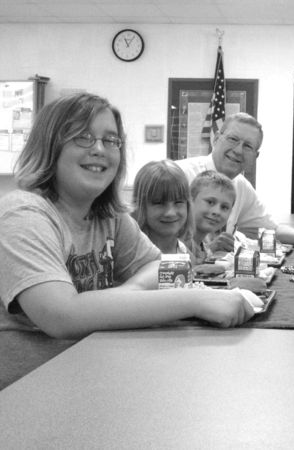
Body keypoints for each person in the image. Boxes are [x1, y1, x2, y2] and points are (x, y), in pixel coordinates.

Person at [0, 93, 256, 345]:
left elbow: (159, 266)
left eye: (111, 140)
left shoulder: (109, 216)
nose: (99, 149)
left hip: (96, 358)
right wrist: (197, 300)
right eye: (82, 137)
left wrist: (126, 294)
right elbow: (61, 316)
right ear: (49, 145)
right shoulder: (22, 214)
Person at [174, 112, 294, 253]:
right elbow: (159, 241)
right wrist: (207, 250)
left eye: (247, 146)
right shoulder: (179, 176)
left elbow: (271, 229)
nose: (238, 150)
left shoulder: (240, 186)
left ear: (255, 156)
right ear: (216, 139)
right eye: (233, 139)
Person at [131, 160, 194, 257]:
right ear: (140, 206)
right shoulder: (133, 256)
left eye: (178, 202)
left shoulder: (186, 253)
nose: (170, 213)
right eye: (159, 203)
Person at [188, 170, 236, 264]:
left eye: (224, 207)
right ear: (190, 200)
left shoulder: (203, 245)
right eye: (210, 202)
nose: (217, 212)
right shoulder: (177, 247)